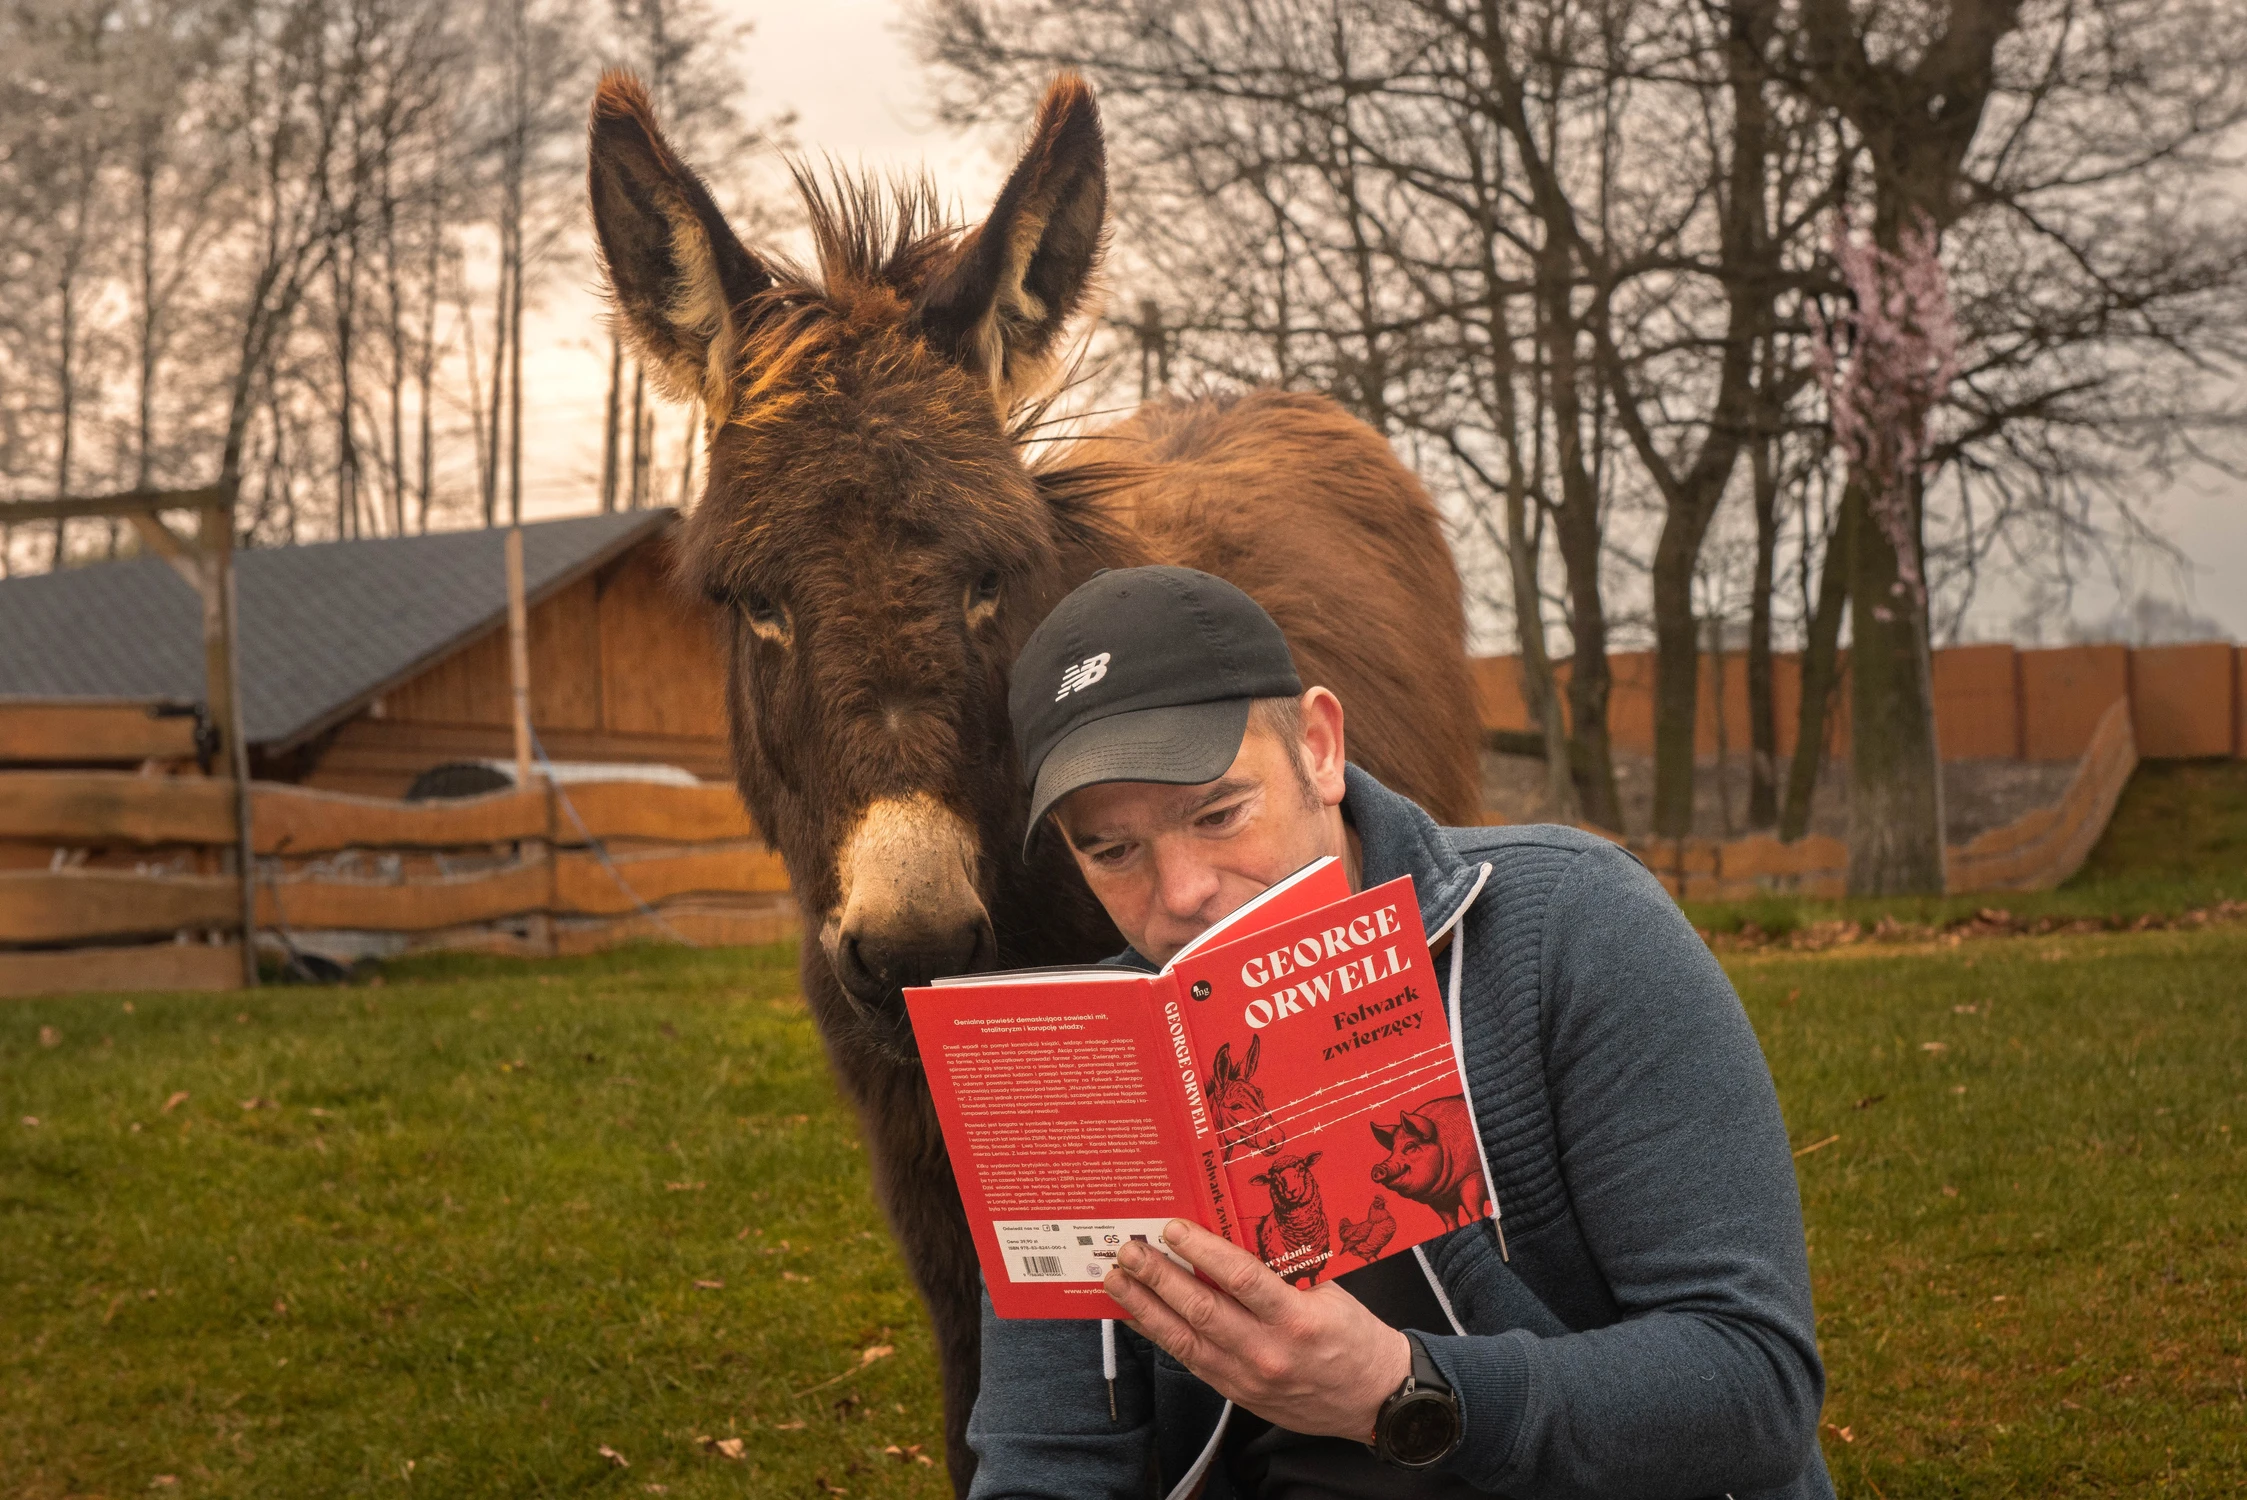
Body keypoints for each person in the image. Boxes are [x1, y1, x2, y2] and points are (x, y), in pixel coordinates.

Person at [966, 565, 1835, 1500]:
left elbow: (1754, 1384)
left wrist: (1395, 1388)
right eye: (1114, 851)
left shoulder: (1571, 925)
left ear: (1319, 746)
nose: (1181, 896)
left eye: (1218, 813)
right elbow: (1043, 1460)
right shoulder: (1082, 1058)